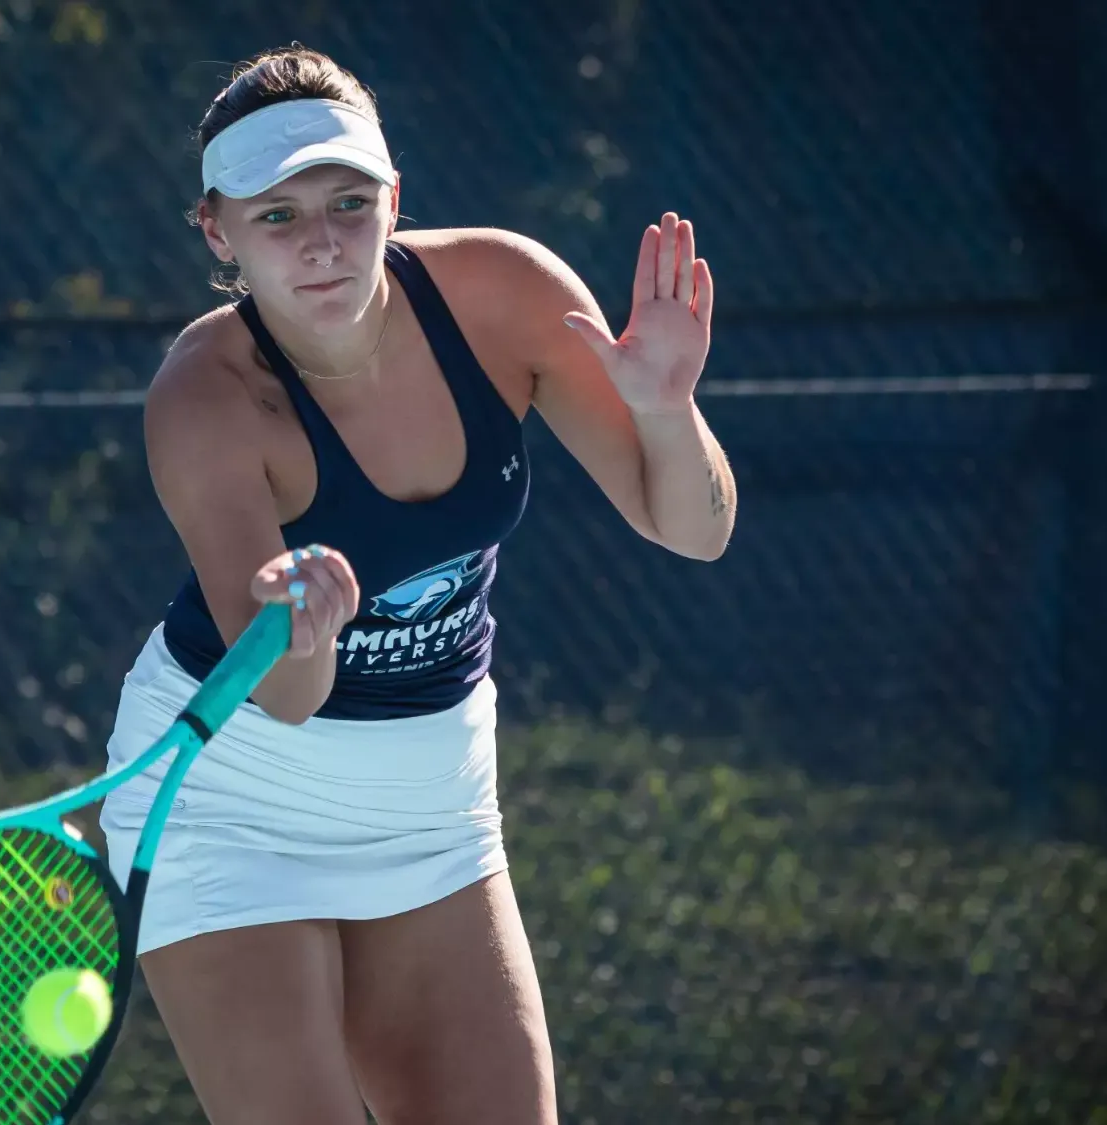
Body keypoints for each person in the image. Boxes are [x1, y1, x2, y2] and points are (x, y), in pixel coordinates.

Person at [96, 44, 737, 1125]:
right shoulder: (205, 400)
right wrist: (295, 620)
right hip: (226, 796)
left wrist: (669, 410)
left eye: (348, 203)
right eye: (277, 217)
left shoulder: (507, 295)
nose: (323, 244)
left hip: (432, 804)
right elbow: (289, 697)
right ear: (217, 232)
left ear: (394, 199)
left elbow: (693, 531)